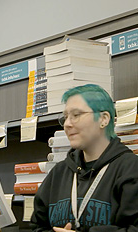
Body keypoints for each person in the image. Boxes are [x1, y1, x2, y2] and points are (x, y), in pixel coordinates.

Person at [31, 84, 138, 231]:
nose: (67, 124)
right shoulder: (59, 172)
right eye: (65, 117)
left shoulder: (131, 169)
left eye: (76, 115)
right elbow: (36, 227)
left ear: (104, 119)